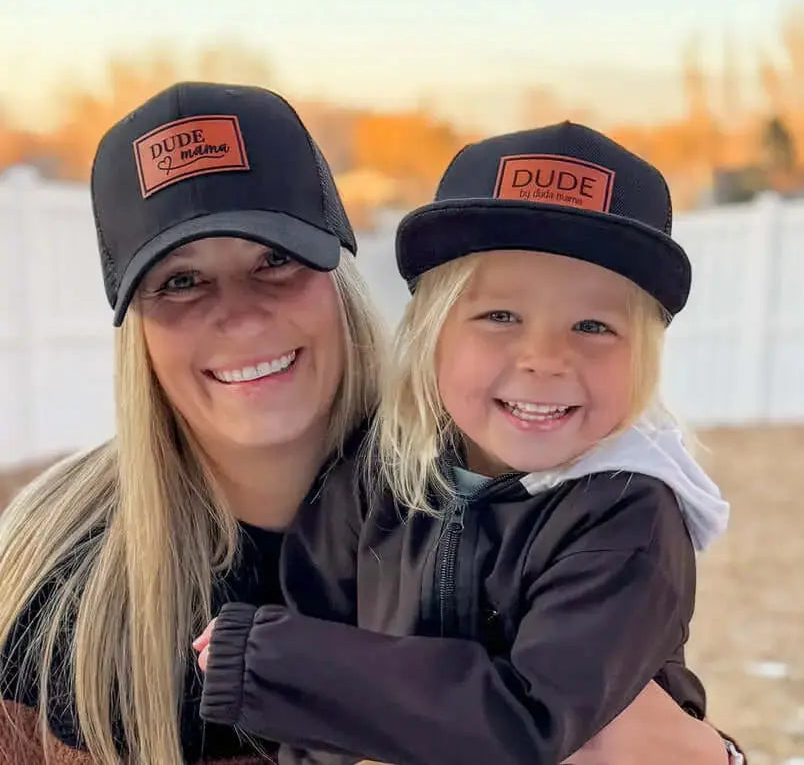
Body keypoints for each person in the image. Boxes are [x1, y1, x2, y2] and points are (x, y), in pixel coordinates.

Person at [0, 84, 739, 765]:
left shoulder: (549, 488)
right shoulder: (61, 580)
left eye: (276, 260)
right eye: (180, 280)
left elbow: (590, 715)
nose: (241, 312)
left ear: (341, 273)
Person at [195, 123, 745, 765]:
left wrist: (276, 663)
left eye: (593, 325)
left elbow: (529, 721)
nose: (545, 359)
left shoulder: (627, 516)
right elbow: (312, 726)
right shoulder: (373, 477)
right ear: (435, 333)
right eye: (501, 316)